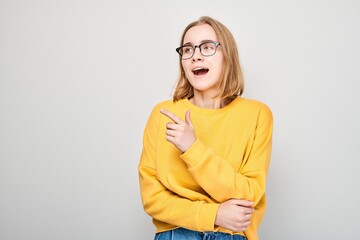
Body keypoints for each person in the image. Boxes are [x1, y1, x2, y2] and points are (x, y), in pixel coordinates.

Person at [138, 16, 273, 240]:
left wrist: (192, 148)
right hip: (175, 235)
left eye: (207, 47)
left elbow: (249, 194)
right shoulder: (162, 114)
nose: (196, 55)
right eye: (188, 49)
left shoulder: (257, 114)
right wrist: (215, 214)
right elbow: (152, 198)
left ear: (227, 57)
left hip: (231, 236)